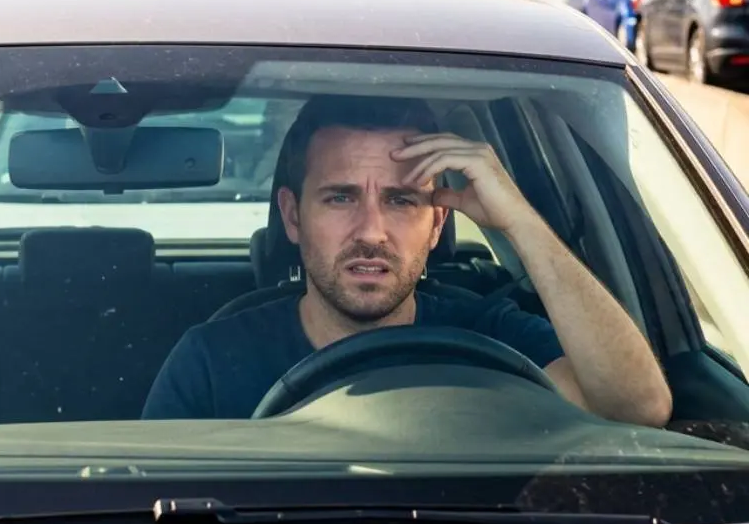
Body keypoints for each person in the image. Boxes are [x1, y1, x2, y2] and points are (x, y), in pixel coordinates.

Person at [142, 95, 673, 427]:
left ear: (438, 223)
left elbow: (639, 409)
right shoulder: (210, 364)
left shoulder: (496, 339)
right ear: (292, 216)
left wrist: (522, 223)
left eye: (401, 201)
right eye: (341, 197)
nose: (371, 231)